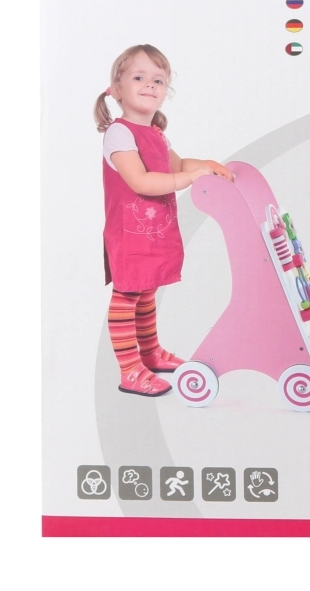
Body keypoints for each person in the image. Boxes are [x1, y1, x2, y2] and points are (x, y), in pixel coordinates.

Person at [93, 45, 234, 397]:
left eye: (158, 80)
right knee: (127, 295)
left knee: (147, 292)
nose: (149, 85)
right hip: (129, 234)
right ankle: (130, 370)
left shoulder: (156, 133)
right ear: (117, 89)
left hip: (153, 233)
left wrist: (206, 164)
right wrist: (190, 178)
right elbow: (141, 181)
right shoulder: (120, 133)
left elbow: (177, 165)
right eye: (139, 77)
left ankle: (150, 352)